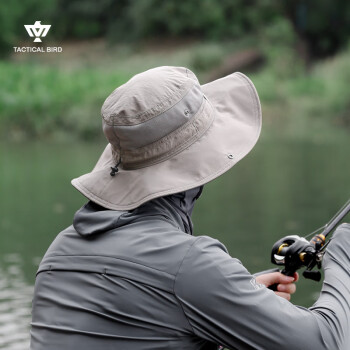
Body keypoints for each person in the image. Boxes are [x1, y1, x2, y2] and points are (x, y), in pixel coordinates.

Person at [30, 66, 350, 350]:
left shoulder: (59, 252)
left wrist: (239, 293)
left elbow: (138, 314)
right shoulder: (191, 265)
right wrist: (343, 254)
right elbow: (326, 342)